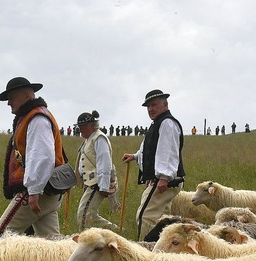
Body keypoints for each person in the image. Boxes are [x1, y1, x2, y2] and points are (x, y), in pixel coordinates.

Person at [0, 76, 66, 238]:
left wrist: (34, 190)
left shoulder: (36, 118)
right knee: (51, 246)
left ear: (26, 95)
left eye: (11, 98)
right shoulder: (33, 116)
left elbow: (43, 157)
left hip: (40, 189)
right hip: (47, 190)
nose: (9, 102)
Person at [122, 89, 185, 240]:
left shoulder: (167, 123)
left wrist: (163, 177)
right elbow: (150, 149)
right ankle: (167, 250)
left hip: (165, 181)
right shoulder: (158, 123)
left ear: (165, 104)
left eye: (154, 105)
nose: (151, 109)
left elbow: (167, 151)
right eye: (148, 106)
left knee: (145, 216)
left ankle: (144, 252)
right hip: (166, 180)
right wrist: (136, 156)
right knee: (164, 220)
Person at [74, 110, 119, 231]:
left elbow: (104, 163)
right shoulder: (89, 139)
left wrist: (103, 187)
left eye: (82, 127)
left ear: (91, 126)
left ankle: (83, 238)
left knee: (84, 214)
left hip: (97, 183)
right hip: (91, 183)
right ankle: (117, 231)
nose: (80, 130)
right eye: (79, 127)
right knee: (90, 215)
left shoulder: (99, 138)